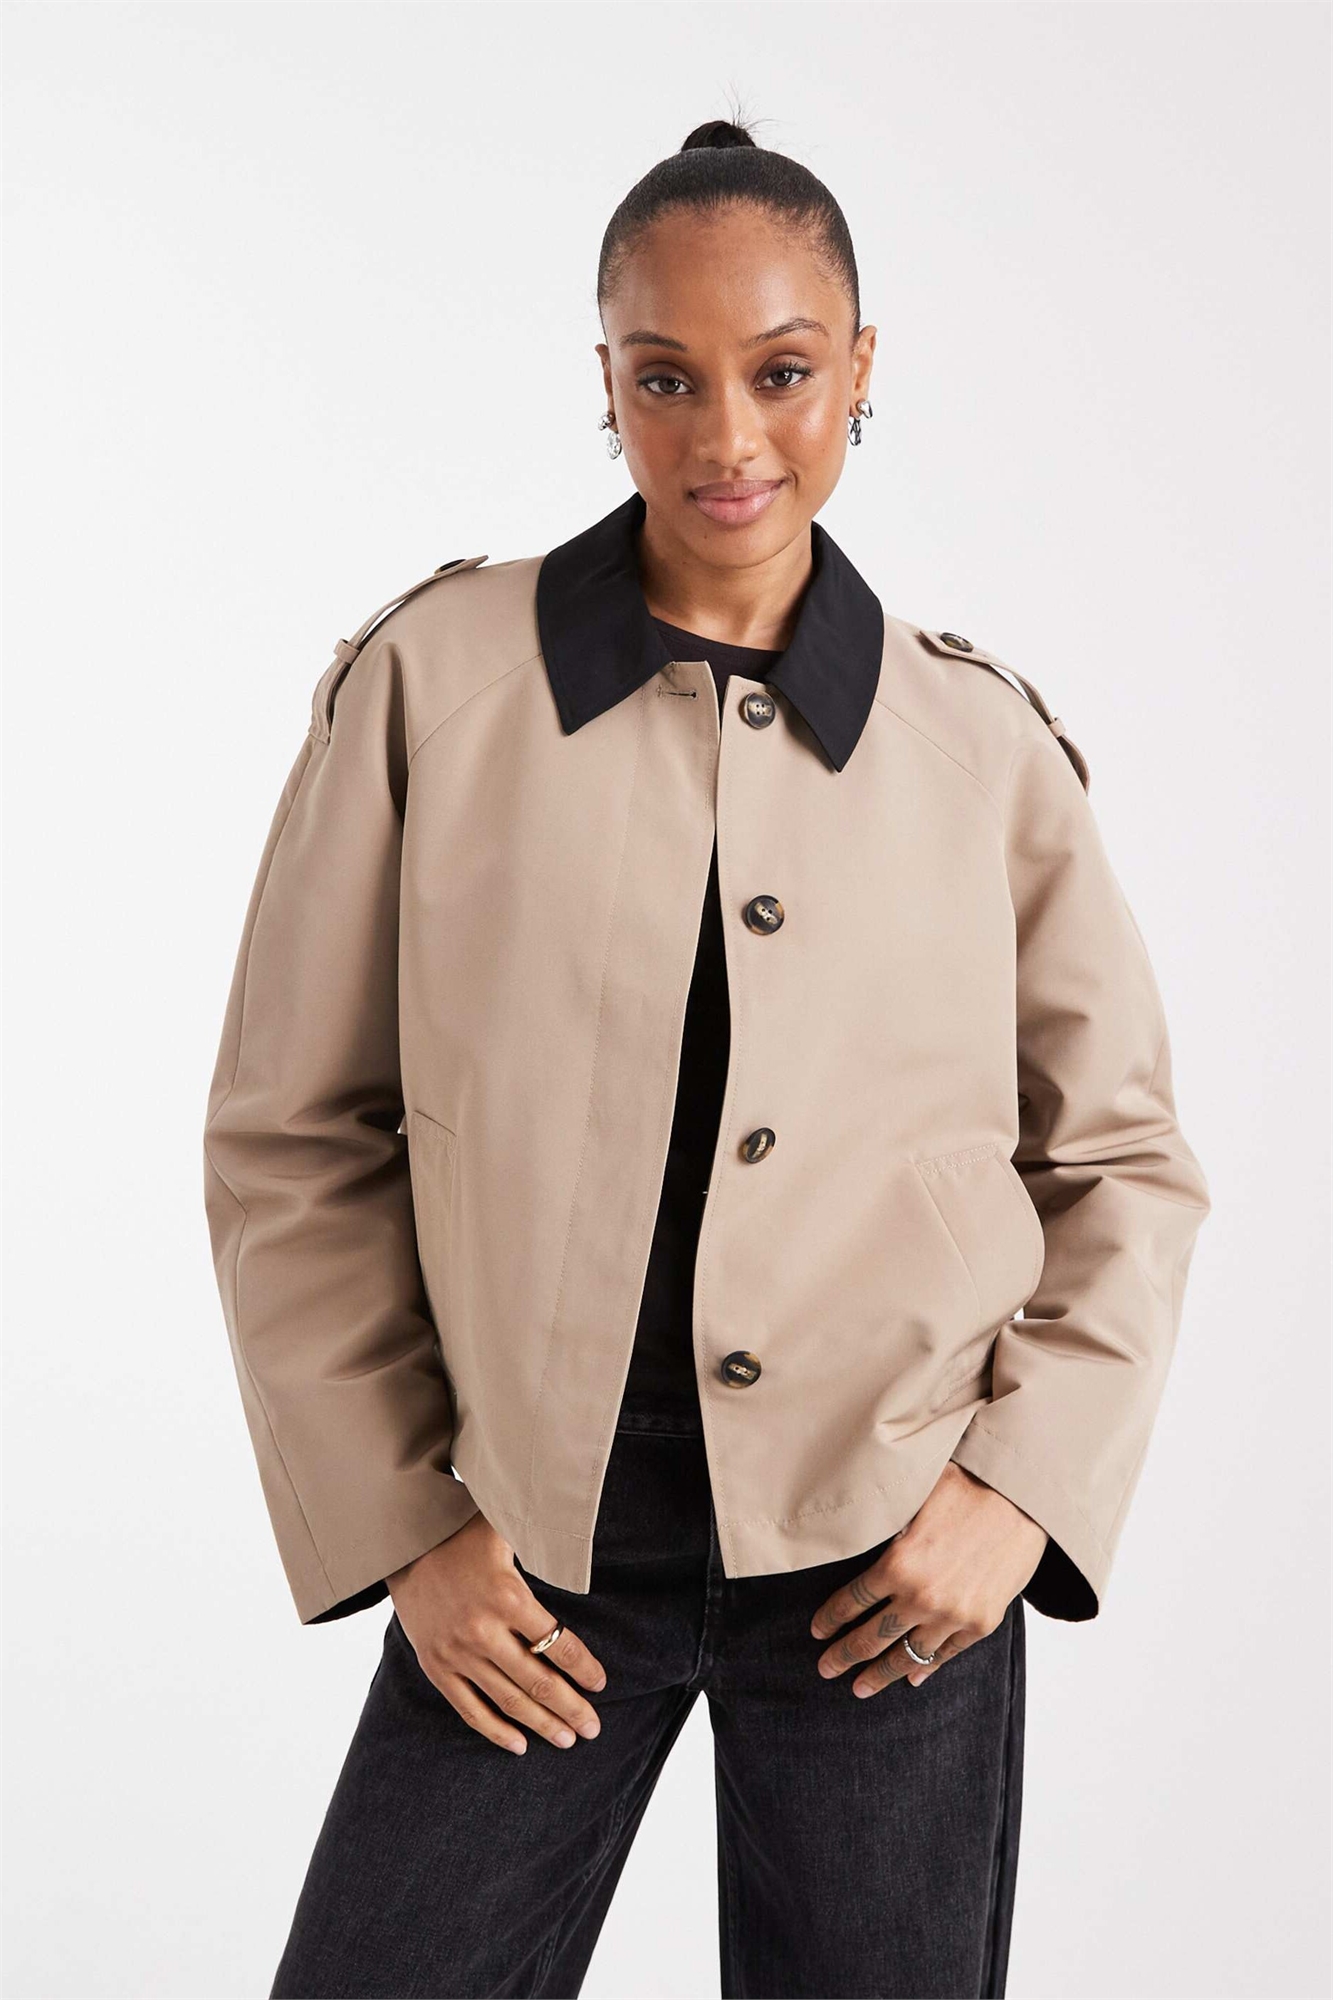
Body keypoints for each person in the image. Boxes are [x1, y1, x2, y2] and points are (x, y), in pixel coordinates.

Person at [201, 115, 1210, 2000]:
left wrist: (1019, 1493)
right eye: (664, 378)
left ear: (861, 368)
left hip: (885, 1562)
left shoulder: (976, 748)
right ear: (604, 380)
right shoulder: (435, 682)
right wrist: (406, 1525)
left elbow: (1119, 1160)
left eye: (782, 372)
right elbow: (293, 1136)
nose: (726, 436)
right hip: (527, 1542)